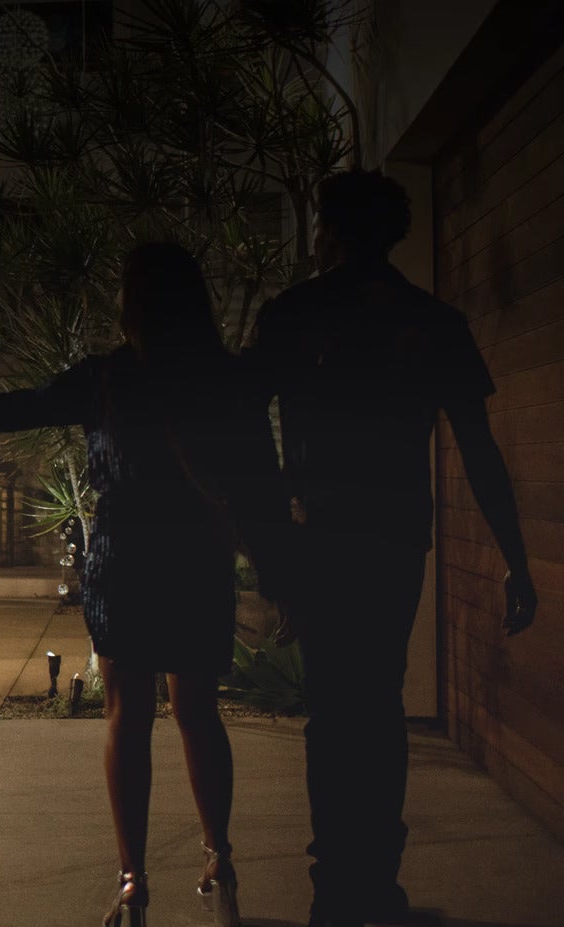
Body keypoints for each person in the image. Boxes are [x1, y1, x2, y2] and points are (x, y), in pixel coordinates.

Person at [0, 243, 291, 927]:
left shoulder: (106, 377)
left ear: (132, 304)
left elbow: (3, 412)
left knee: (128, 713)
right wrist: (276, 568)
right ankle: (219, 861)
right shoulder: (222, 378)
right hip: (196, 556)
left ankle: (133, 881)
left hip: (126, 557)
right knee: (198, 710)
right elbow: (258, 481)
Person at [246, 170, 537, 927]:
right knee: (376, 704)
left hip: (320, 536)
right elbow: (479, 448)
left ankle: (336, 885)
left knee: (333, 711)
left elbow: (239, 423)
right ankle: (374, 880)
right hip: (395, 539)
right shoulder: (431, 320)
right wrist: (516, 558)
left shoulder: (295, 313)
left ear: (331, 233)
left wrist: (269, 538)